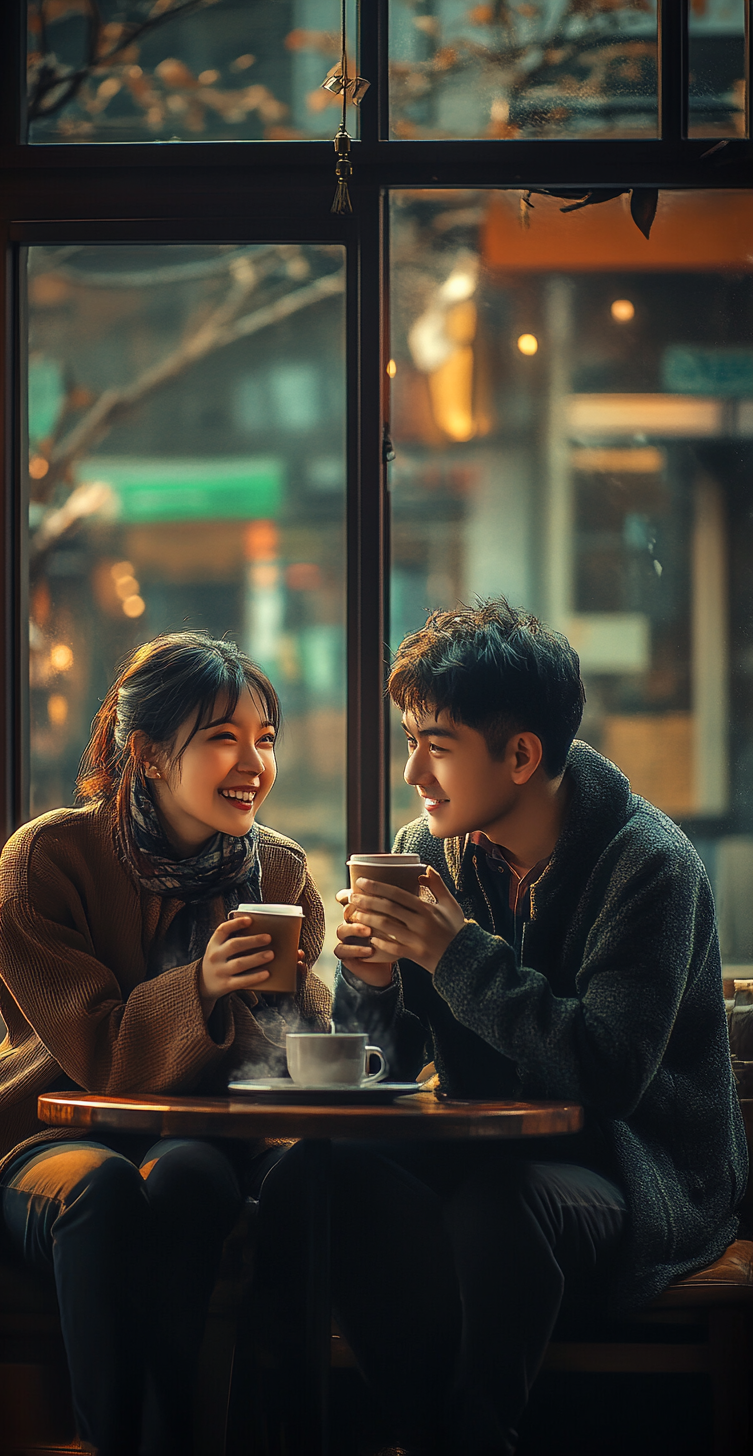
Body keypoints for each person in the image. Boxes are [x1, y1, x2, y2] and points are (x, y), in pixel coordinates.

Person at [258, 597, 747, 1455]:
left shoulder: (650, 865)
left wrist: (455, 955)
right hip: (485, 1147)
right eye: (410, 739)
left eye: (435, 746)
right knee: (310, 1177)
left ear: (522, 755)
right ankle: (406, 1435)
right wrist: (373, 985)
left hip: (642, 1168)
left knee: (503, 1204)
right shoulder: (432, 847)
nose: (412, 772)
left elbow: (608, 1073)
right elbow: (399, 1063)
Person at [0, 631, 330, 1456]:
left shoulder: (280, 875)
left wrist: (351, 983)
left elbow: (292, 1055)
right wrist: (202, 986)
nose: (253, 763)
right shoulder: (48, 857)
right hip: (46, 1133)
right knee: (104, 1190)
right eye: (223, 737)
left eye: (265, 739)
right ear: (147, 754)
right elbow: (99, 1054)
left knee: (189, 1174)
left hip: (204, 1138)